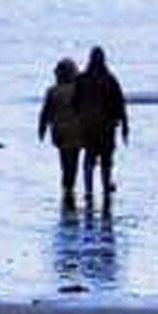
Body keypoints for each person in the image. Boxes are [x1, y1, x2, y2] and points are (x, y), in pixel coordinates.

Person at [73, 45, 131, 205]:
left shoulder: (82, 79)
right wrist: (125, 125)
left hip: (88, 127)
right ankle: (105, 189)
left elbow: (74, 104)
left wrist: (77, 122)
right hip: (107, 127)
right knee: (106, 160)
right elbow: (120, 104)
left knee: (89, 159)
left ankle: (89, 190)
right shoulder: (110, 79)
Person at [36, 57, 83, 210]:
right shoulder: (79, 89)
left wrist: (41, 129)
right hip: (77, 132)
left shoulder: (52, 91)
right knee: (74, 161)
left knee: (64, 161)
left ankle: (67, 187)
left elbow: (45, 113)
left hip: (60, 133)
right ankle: (69, 188)